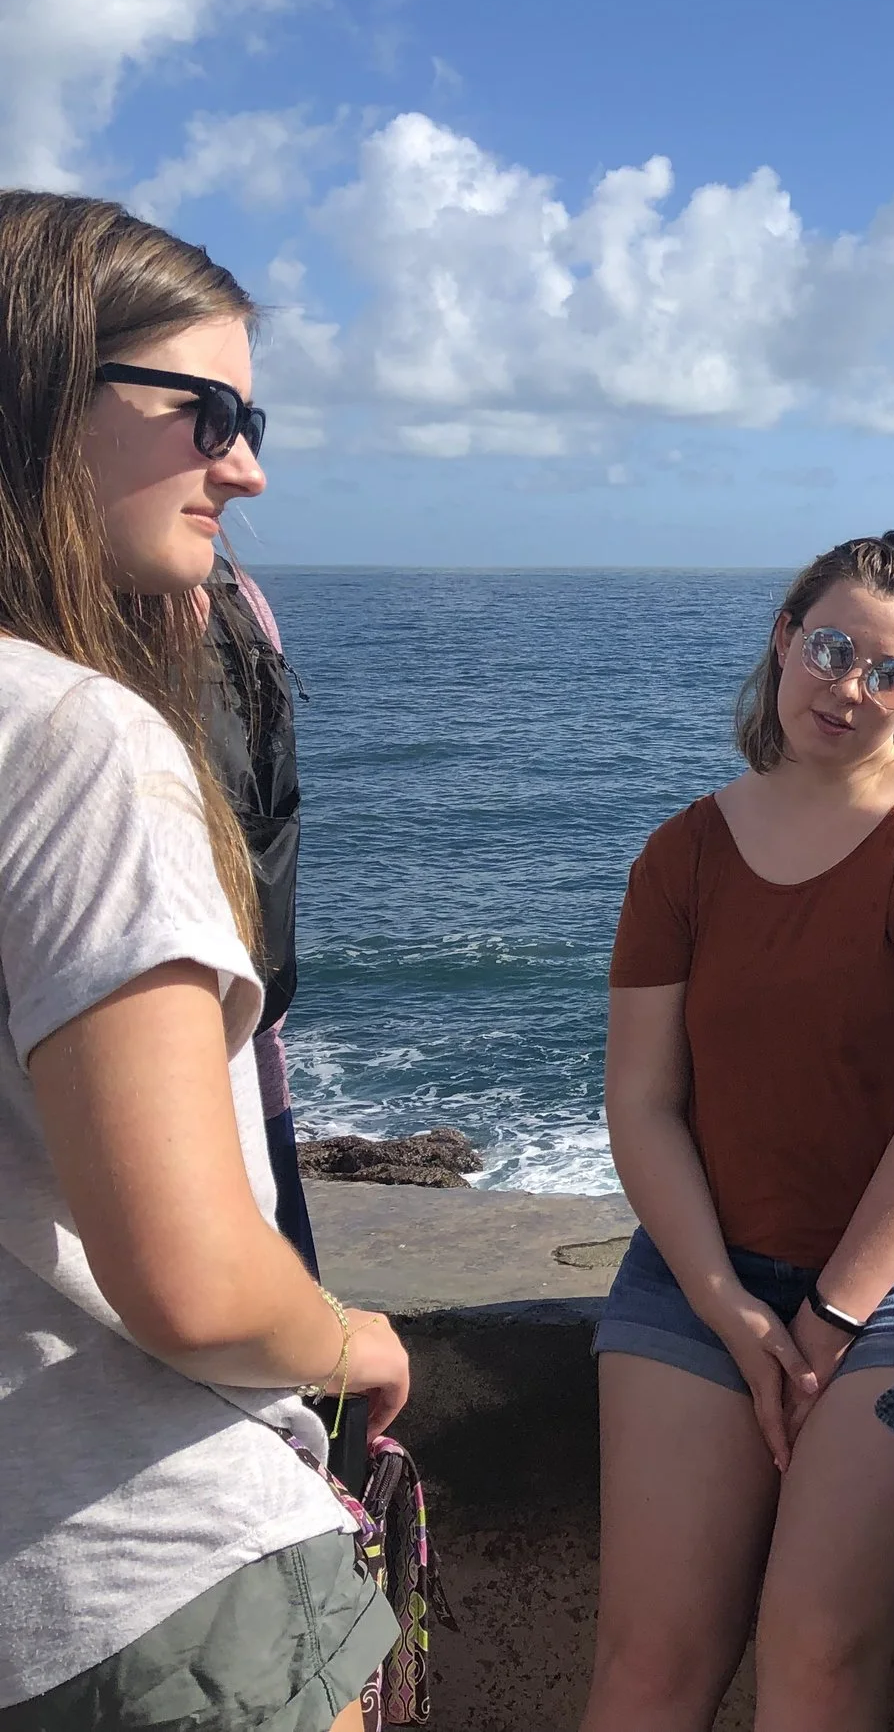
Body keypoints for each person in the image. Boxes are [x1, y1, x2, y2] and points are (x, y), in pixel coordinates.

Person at [0, 192, 410, 1731]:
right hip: (130, 1565)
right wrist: (344, 1334)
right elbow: (186, 1272)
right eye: (209, 411)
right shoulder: (74, 736)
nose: (245, 462)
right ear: (39, 391)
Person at [584, 533, 894, 1732]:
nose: (848, 687)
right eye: (831, 649)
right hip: (705, 1268)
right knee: (648, 1662)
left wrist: (829, 1318)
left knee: (817, 1652)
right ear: (785, 636)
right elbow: (641, 1102)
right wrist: (731, 1306)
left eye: (890, 673)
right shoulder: (682, 854)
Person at [200, 551, 319, 1274]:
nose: (242, 469)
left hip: (248, 1065)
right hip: (217, 1065)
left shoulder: (233, 598)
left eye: (244, 428)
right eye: (207, 428)